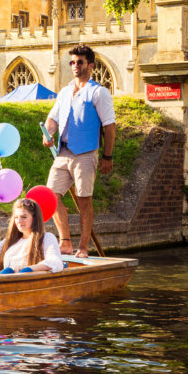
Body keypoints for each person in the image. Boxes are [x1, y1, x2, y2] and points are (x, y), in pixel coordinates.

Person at [42, 43, 115, 258]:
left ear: (90, 65)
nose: (75, 65)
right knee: (50, 197)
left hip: (85, 153)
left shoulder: (98, 93)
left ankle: (83, 247)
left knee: (84, 201)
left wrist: (107, 156)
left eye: (79, 62)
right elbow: (52, 118)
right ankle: (65, 241)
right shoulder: (65, 92)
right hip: (63, 153)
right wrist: (48, 134)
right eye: (72, 62)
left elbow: (110, 127)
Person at [0, 198, 64, 275]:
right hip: (7, 281)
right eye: (16, 217)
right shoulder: (12, 240)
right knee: (7, 271)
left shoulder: (46, 238)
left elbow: (55, 262)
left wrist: (28, 269)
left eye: (24, 217)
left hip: (29, 283)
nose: (19, 221)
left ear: (34, 218)